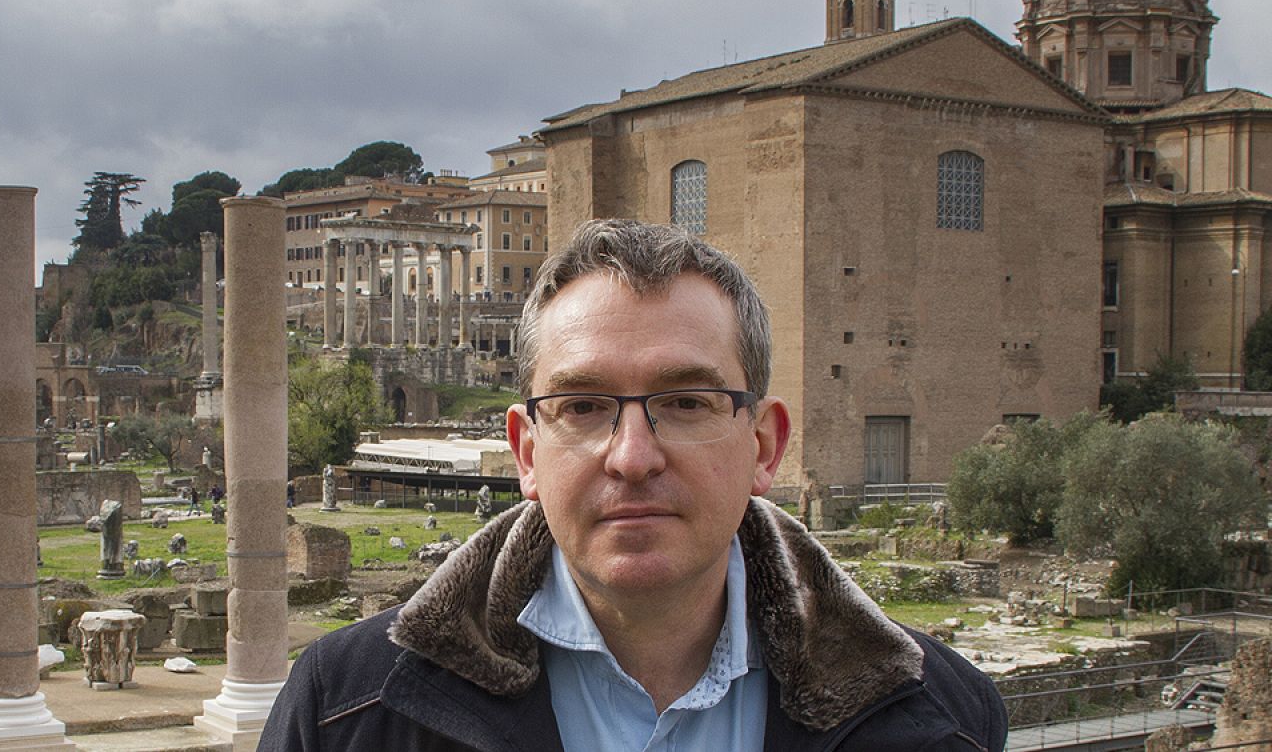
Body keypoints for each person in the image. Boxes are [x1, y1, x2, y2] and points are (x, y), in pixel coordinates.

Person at [260, 219, 1006, 751]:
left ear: (763, 445)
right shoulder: (342, 710)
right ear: (526, 452)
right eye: (583, 407)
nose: (632, 456)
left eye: (686, 403)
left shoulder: (947, 713)